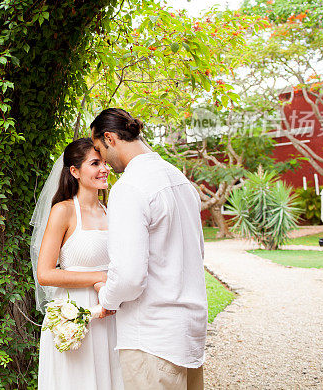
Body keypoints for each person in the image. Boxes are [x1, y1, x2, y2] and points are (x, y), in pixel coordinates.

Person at [90, 108, 207, 390]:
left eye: (98, 149)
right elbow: (198, 251)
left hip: (152, 336)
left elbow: (129, 276)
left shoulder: (130, 187)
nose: (102, 160)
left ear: (109, 138)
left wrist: (106, 299)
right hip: (190, 331)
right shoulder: (179, 178)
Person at [30, 138, 124, 390]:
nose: (104, 169)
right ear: (74, 171)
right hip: (74, 315)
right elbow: (45, 274)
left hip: (110, 315)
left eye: (105, 162)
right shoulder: (63, 211)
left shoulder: (111, 211)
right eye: (95, 163)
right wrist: (102, 277)